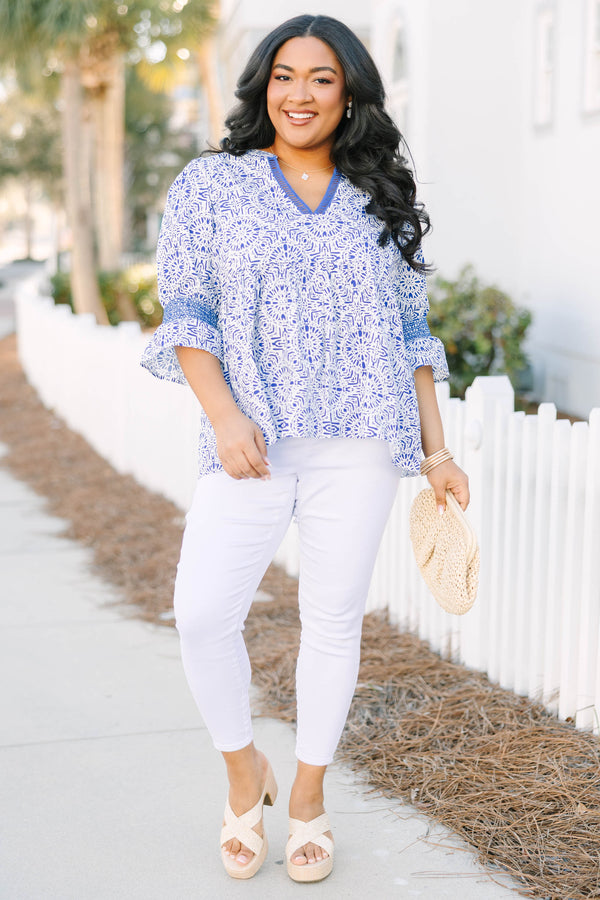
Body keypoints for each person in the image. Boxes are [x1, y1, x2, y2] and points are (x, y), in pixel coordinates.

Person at [141, 13, 469, 884]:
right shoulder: (213, 187)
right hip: (251, 444)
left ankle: (313, 798)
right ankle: (244, 772)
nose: (301, 94)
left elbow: (411, 334)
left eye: (322, 78)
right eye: (286, 75)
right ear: (263, 86)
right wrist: (223, 418)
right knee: (204, 614)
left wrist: (437, 453)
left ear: (350, 92)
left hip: (361, 447)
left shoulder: (380, 198)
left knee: (332, 624)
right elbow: (187, 315)